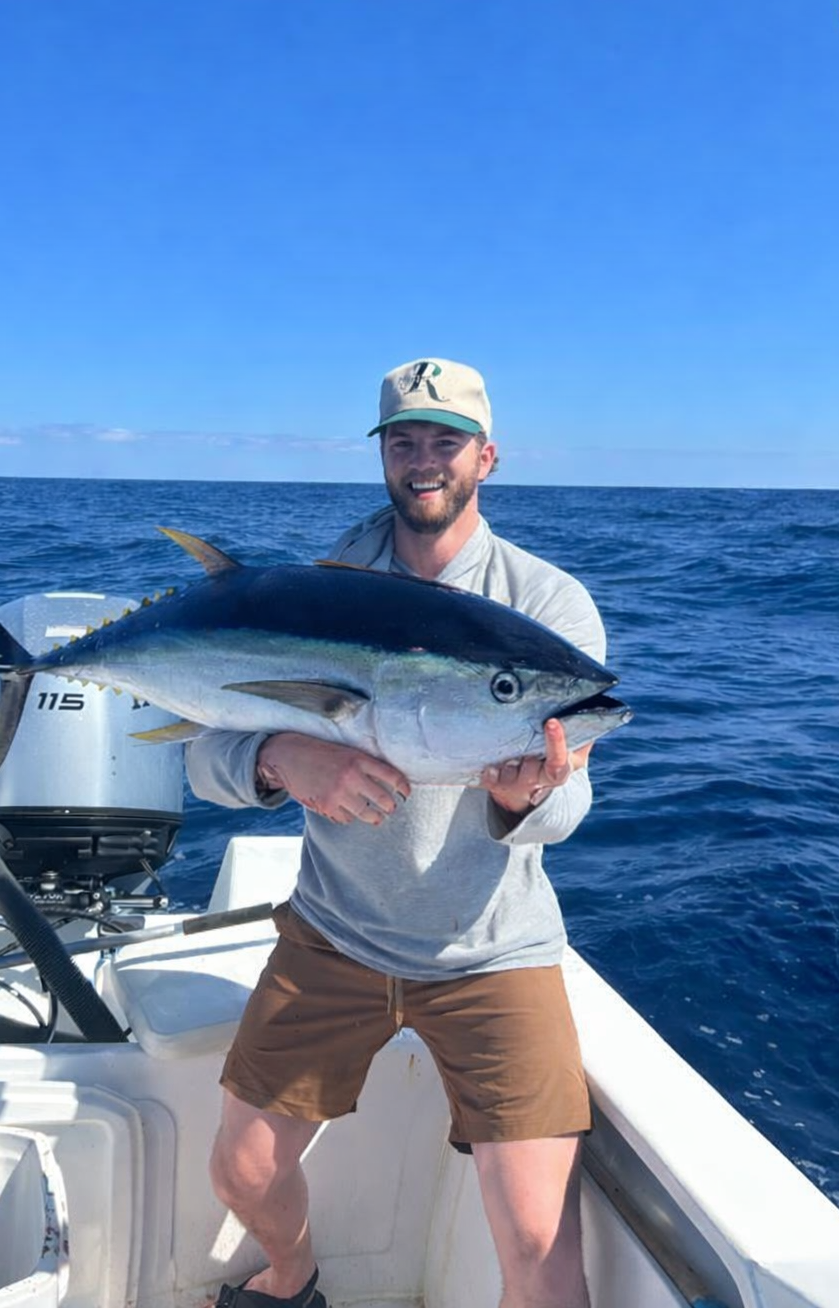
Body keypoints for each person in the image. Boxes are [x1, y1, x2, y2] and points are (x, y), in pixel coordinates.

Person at [186, 357, 605, 1308]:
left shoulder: (545, 606)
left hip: (490, 947)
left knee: (539, 1246)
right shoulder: (321, 588)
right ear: (381, 454)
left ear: (486, 457)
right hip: (335, 930)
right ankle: (292, 1278)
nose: (424, 461)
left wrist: (521, 802)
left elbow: (569, 806)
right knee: (241, 1172)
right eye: (404, 441)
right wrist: (281, 758)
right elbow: (205, 759)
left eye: (445, 442)